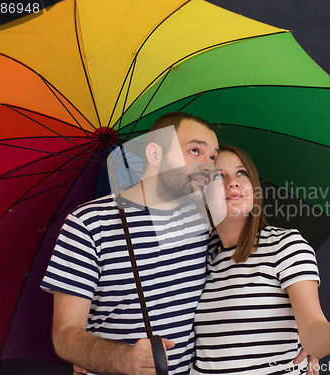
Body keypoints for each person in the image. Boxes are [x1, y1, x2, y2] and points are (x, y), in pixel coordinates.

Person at [190, 145, 330, 374]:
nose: (233, 182)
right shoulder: (200, 258)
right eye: (219, 175)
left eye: (241, 173)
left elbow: (313, 336)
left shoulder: (285, 245)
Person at [41, 112, 220, 375]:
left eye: (213, 157)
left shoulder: (204, 224)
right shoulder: (88, 223)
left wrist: (301, 334)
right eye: (195, 150)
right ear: (155, 154)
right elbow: (65, 335)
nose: (208, 165)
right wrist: (126, 359)